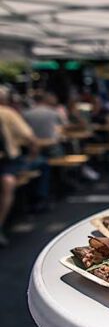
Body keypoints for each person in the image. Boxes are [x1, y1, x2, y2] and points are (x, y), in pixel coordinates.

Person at [0, 86, 50, 245]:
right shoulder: (8, 113)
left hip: (7, 164)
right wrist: (32, 156)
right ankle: (39, 200)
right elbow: (30, 138)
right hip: (8, 165)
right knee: (42, 164)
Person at [22, 92, 65, 157]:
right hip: (51, 148)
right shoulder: (53, 112)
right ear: (44, 100)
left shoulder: (26, 114)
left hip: (34, 148)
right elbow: (61, 129)